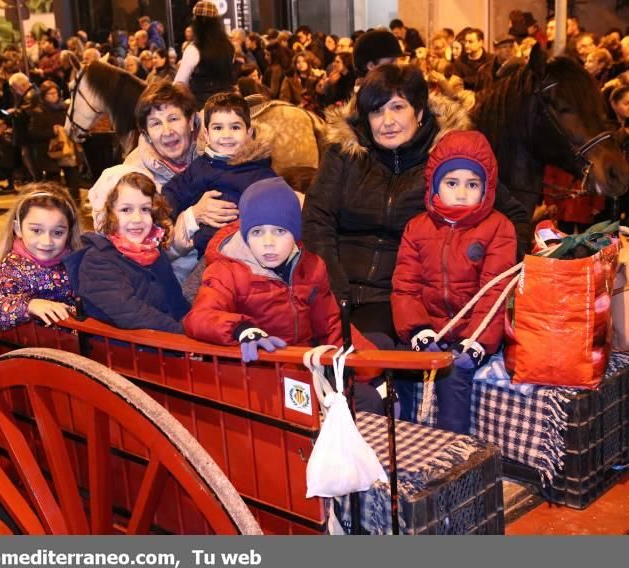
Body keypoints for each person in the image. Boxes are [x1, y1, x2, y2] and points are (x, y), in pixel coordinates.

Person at [301, 64, 528, 340]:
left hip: (401, 296)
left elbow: (513, 217)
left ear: (419, 111)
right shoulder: (345, 154)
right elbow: (317, 220)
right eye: (376, 111)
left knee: (368, 353)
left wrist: (474, 269)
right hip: (336, 286)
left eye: (397, 107)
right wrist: (334, 288)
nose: (387, 121)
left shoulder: (449, 158)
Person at [183, 178, 387, 412]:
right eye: (258, 232)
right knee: (364, 400)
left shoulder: (310, 267)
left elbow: (331, 325)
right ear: (245, 233)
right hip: (254, 373)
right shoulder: (227, 271)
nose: (268, 243)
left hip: (302, 364)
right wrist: (241, 329)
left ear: (295, 234)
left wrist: (371, 371)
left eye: (280, 231)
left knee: (374, 370)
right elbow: (200, 316)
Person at [391, 130, 517, 433]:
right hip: (427, 329)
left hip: (469, 335)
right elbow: (405, 286)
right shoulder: (418, 227)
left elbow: (496, 291)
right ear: (435, 184)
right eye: (451, 183)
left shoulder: (498, 227)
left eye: (472, 184)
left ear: (487, 188)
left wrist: (476, 342)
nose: (461, 193)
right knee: (401, 369)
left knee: (453, 377)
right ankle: (405, 439)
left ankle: (452, 452)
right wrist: (418, 331)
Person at [89, 82, 239, 280]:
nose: (167, 131)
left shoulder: (216, 152)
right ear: (146, 134)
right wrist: (192, 217)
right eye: (155, 123)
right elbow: (135, 252)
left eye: (173, 118)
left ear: (192, 120)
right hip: (169, 282)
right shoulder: (132, 178)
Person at [64, 172, 190, 332]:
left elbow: (177, 302)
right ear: (107, 214)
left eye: (145, 209)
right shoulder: (97, 262)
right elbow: (133, 314)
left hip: (164, 344)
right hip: (123, 351)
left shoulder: (154, 252)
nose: (137, 219)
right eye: (126, 210)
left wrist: (195, 325)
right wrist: (184, 334)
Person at [161, 92, 277, 258]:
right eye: (218, 128)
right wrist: (165, 218)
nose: (226, 136)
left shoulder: (259, 174)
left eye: (235, 127)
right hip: (204, 254)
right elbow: (173, 191)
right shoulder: (200, 166)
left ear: (249, 133)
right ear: (207, 135)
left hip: (245, 255)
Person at [0, 183, 83, 332]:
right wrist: (29, 305)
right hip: (47, 348)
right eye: (36, 230)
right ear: (18, 229)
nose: (47, 241)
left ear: (69, 232)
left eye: (57, 232)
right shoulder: (13, 269)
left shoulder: (77, 259)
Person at [173, 0, 235, 108]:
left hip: (203, 110)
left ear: (196, 23)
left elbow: (180, 84)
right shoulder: (229, 47)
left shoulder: (193, 49)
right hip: (228, 105)